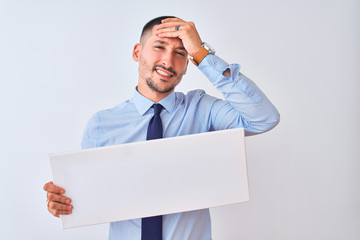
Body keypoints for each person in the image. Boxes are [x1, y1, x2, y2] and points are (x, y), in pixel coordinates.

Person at [43, 16, 280, 240]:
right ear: (137, 52)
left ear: (188, 65)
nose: (168, 61)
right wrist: (63, 202)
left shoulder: (202, 109)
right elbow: (92, 197)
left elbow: (264, 119)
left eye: (180, 53)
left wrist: (202, 54)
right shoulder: (101, 124)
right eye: (159, 47)